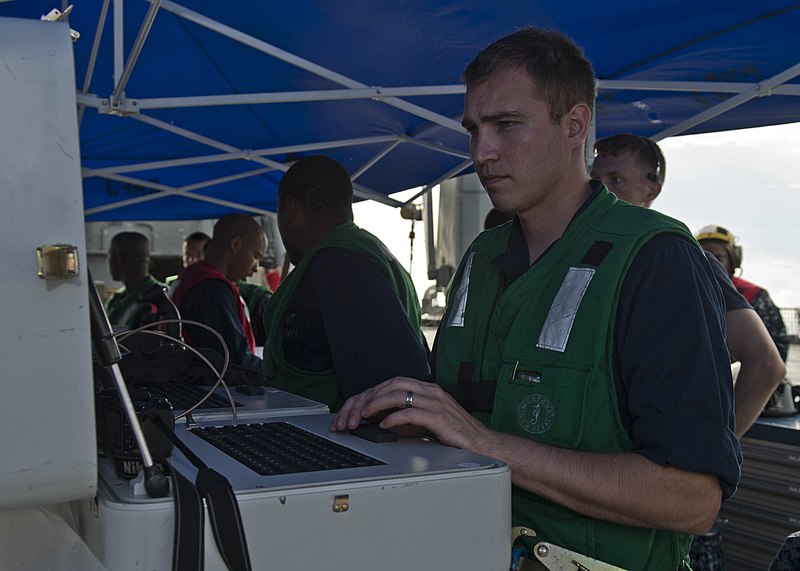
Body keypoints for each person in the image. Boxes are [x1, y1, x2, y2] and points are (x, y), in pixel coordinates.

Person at [331, 27, 741, 570]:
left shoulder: (656, 259)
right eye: (473, 129)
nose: (482, 151)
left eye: (507, 125)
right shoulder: (481, 257)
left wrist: (481, 440)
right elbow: (469, 414)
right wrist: (417, 418)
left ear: (574, 126)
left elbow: (691, 499)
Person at [591, 134, 785, 437]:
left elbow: (766, 365)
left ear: (652, 189)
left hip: (645, 460)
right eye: (595, 179)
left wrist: (716, 450)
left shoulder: (685, 260)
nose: (601, 190)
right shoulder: (584, 256)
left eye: (617, 180)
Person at [260, 155, 430, 412]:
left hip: (336, 445)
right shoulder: (367, 251)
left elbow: (383, 394)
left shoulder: (341, 265)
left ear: (290, 209)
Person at [172, 214, 266, 373]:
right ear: (235, 244)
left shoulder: (192, 277)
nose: (256, 267)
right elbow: (235, 362)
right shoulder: (211, 290)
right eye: (255, 256)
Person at [695, 225, 790, 362]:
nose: (711, 264)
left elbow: (778, 347)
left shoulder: (755, 295)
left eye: (718, 258)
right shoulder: (685, 295)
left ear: (733, 261)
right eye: (705, 257)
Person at [104, 231, 165, 330]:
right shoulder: (116, 298)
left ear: (118, 259)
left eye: (109, 255)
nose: (107, 262)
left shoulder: (160, 299)